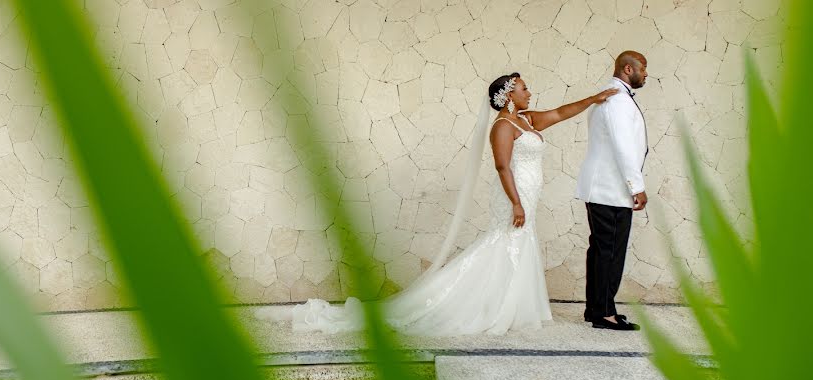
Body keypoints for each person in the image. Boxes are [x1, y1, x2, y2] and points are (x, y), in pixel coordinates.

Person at [257, 73, 616, 336]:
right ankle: (482, 305)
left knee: (516, 245)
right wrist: (516, 203)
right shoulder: (503, 127)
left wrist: (592, 100)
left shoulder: (527, 119)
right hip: (514, 195)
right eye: (524, 89)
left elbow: (559, 113)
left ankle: (508, 304)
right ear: (509, 96)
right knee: (503, 241)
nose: (530, 92)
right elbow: (503, 165)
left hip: (528, 193)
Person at [576, 51, 650, 331]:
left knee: (600, 250)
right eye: (643, 69)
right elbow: (623, 147)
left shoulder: (611, 96)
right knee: (609, 252)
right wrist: (637, 186)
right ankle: (604, 312)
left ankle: (596, 309)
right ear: (627, 68)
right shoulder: (617, 100)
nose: (645, 74)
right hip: (610, 188)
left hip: (603, 186)